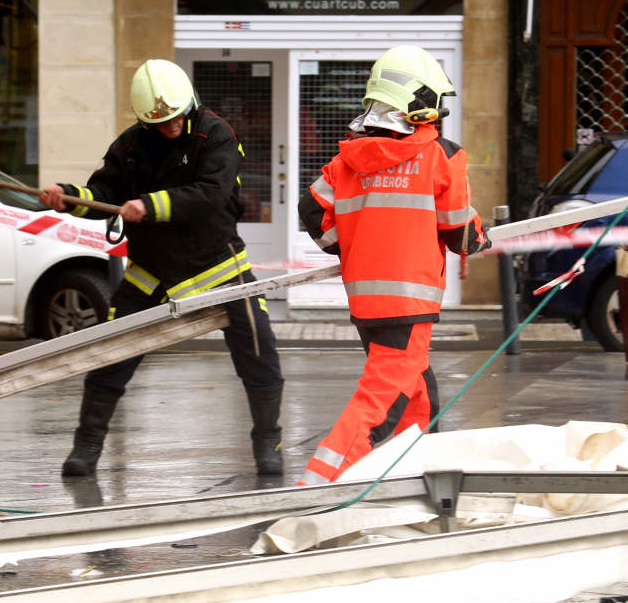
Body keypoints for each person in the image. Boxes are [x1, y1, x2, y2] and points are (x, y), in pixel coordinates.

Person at [37, 59, 285, 477]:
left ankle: (267, 443)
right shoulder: (131, 145)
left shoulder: (215, 134)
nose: (170, 128)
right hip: (150, 272)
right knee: (110, 354)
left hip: (218, 265)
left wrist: (150, 205)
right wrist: (69, 196)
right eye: (161, 123)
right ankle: (87, 447)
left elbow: (210, 193)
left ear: (188, 105)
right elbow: (103, 192)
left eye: (175, 119)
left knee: (259, 352)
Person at [296, 46, 489, 486]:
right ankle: (314, 488)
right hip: (411, 303)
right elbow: (459, 232)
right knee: (380, 405)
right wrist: (480, 237)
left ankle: (421, 482)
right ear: (419, 105)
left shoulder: (348, 159)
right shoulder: (444, 155)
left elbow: (312, 209)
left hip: (367, 303)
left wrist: (349, 245)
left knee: (419, 399)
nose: (441, 117)